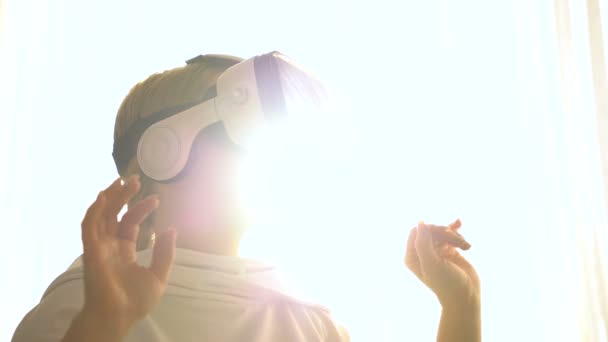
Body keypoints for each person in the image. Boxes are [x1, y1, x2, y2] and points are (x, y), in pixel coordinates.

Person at [12, 53, 481, 342]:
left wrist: (461, 306)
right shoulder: (82, 303)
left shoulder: (307, 319)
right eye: (243, 133)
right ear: (165, 149)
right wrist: (101, 324)